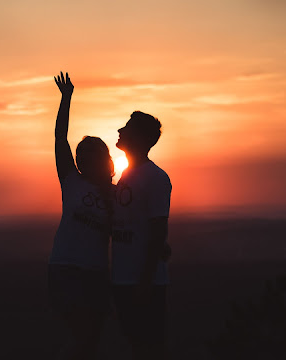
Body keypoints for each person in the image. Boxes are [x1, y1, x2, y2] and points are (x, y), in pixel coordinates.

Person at [48, 72, 115, 360]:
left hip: (97, 274)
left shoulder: (116, 194)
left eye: (88, 154)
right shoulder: (71, 181)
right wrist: (66, 99)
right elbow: (59, 137)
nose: (80, 158)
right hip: (66, 270)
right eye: (79, 154)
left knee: (91, 341)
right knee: (83, 337)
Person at [111, 111, 172, 360]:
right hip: (123, 279)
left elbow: (158, 231)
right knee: (135, 346)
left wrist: (144, 283)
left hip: (143, 283)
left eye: (127, 128)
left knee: (147, 347)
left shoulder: (156, 178)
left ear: (140, 138)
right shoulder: (127, 176)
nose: (119, 131)